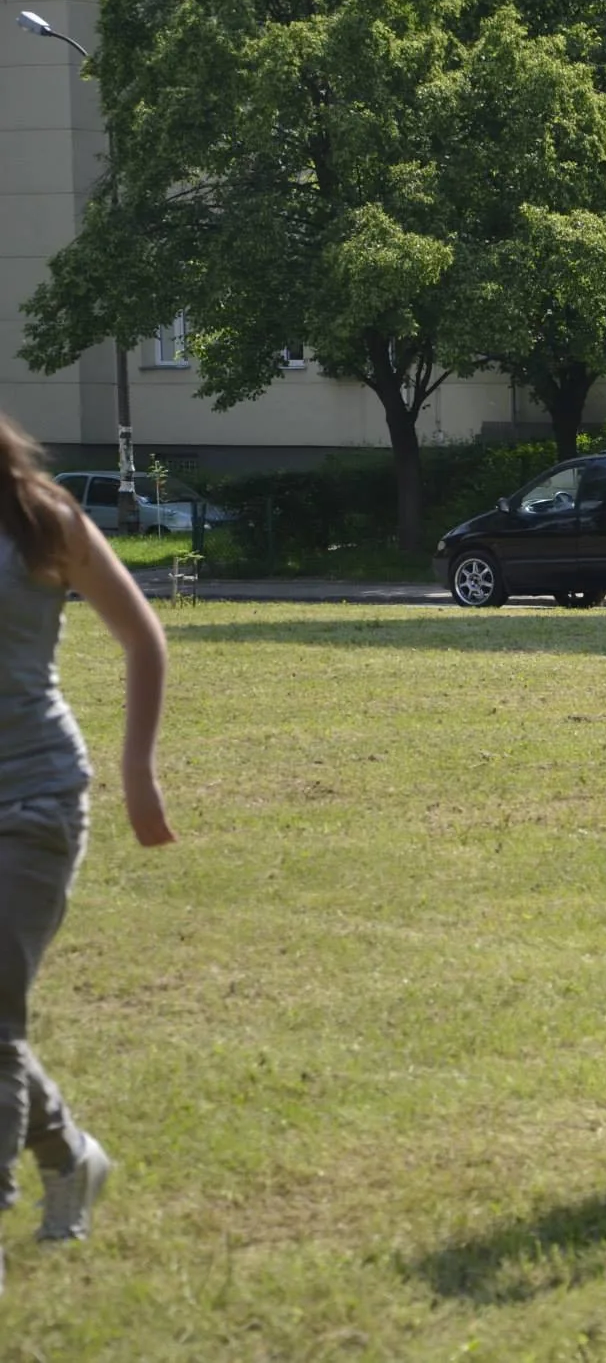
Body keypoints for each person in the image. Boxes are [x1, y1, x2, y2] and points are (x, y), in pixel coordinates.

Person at [0, 414, 174, 1293]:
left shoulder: (40, 517)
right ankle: (71, 1157)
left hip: (31, 799)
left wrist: (137, 769)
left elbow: (143, 636)